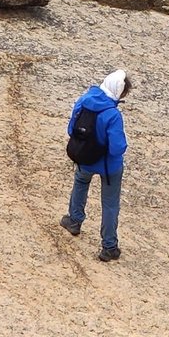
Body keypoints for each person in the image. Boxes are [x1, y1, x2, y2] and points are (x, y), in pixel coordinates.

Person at [60, 69, 131, 261]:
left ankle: (74, 220)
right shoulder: (112, 115)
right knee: (109, 204)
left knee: (80, 184)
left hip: (85, 158)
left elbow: (71, 128)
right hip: (109, 166)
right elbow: (117, 148)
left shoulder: (85, 99)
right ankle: (109, 246)